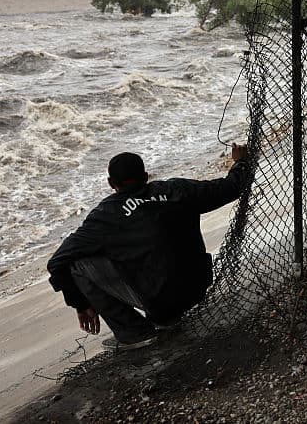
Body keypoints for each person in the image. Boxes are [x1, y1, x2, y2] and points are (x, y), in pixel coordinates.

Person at [47, 143, 250, 351]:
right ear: (145, 176)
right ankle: (163, 319)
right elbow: (232, 187)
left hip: (159, 302)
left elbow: (56, 263)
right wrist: (240, 162)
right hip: (197, 287)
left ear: (111, 183)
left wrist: (80, 304)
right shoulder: (177, 190)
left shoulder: (106, 215)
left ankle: (134, 333)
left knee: (76, 265)